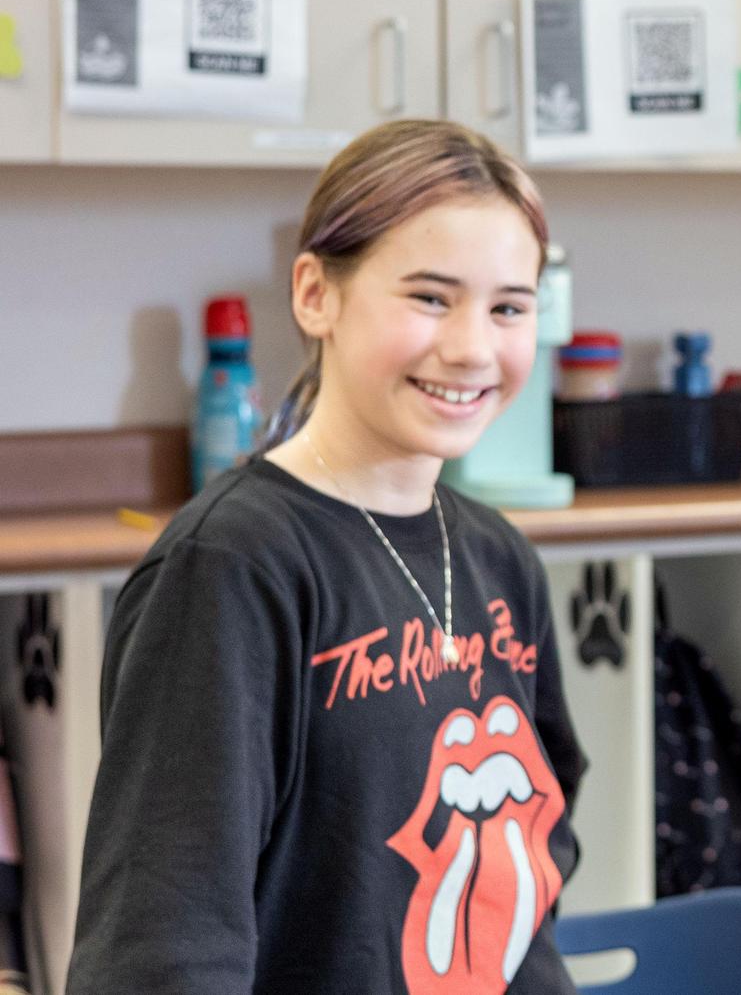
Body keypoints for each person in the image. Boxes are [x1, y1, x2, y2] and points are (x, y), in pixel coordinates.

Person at [66, 119, 587, 995]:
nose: (471, 347)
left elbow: (529, 881)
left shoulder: (499, 560)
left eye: (509, 307)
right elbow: (163, 950)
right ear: (316, 294)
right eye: (429, 297)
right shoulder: (231, 568)